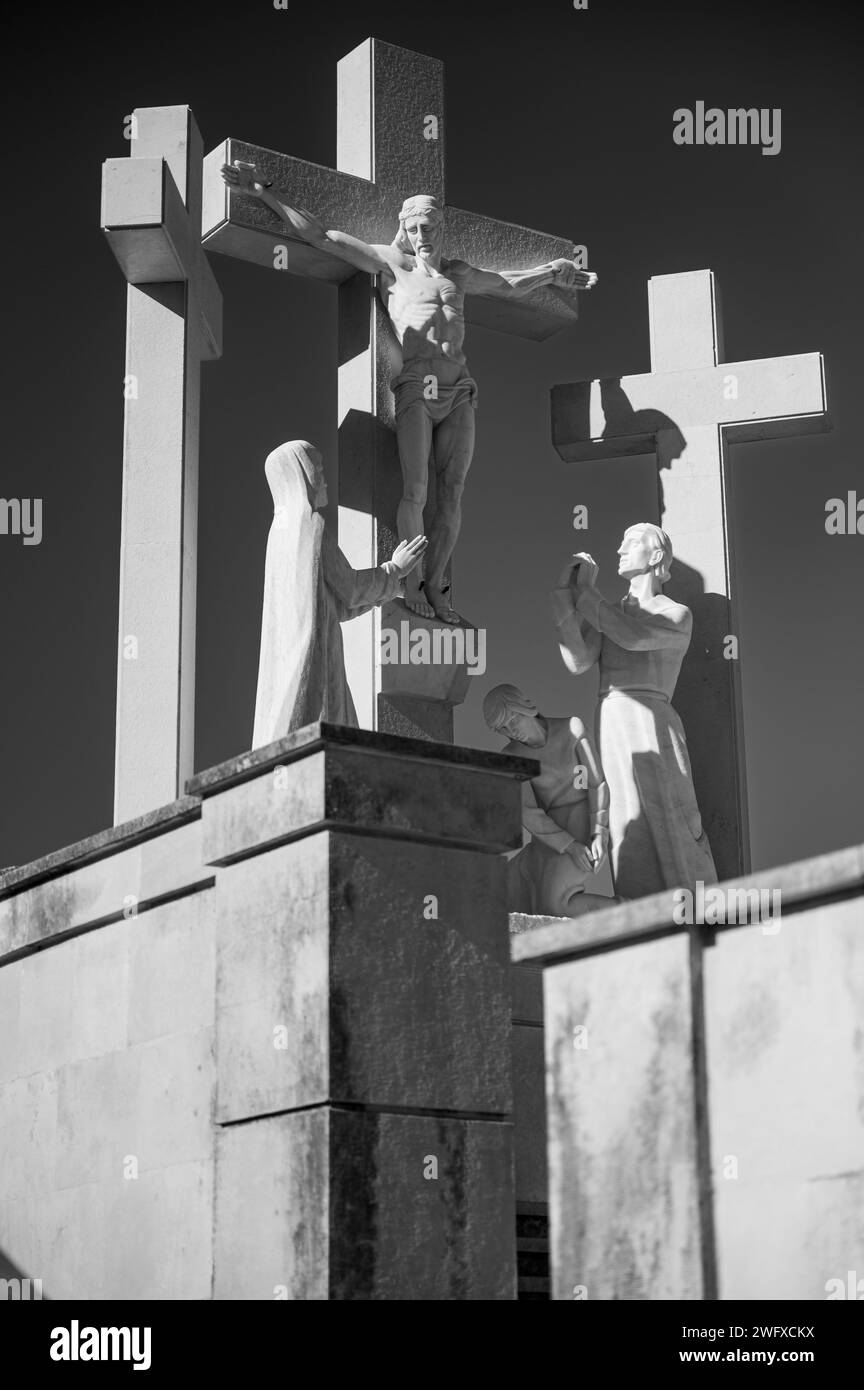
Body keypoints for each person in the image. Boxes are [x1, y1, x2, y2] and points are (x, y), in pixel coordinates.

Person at [221, 162, 595, 622]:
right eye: (415, 227)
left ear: (441, 228)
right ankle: (411, 582)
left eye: (430, 227)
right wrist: (265, 194)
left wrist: (551, 272)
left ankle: (437, 586)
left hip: (460, 387)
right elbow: (322, 237)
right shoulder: (392, 266)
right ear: (405, 229)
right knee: (416, 489)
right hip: (418, 384)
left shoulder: (457, 275)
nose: (423, 235)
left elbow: (508, 284)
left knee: (452, 491)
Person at [551, 524, 717, 899]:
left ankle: (691, 900)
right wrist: (564, 598)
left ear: (656, 556)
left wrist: (587, 597)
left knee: (669, 811)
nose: (620, 550)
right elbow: (578, 661)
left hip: (650, 719)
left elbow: (634, 637)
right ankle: (637, 903)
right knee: (624, 815)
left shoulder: (676, 614)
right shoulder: (608, 613)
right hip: (611, 717)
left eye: (631, 542)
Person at [252, 441, 426, 745]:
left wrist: (386, 592)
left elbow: (335, 604)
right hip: (318, 666)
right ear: (299, 474)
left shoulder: (278, 533)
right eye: (317, 468)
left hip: (302, 660)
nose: (324, 477)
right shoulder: (311, 524)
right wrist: (394, 569)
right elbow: (351, 589)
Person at [483, 683, 611, 917]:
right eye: (503, 729)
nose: (512, 731)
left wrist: (600, 832)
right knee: (501, 894)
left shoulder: (572, 729)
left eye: (513, 720)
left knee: (556, 906)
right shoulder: (511, 757)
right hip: (550, 835)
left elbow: (596, 784)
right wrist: (569, 846)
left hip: (583, 820)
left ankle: (636, 913)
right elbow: (528, 812)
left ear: (524, 707)